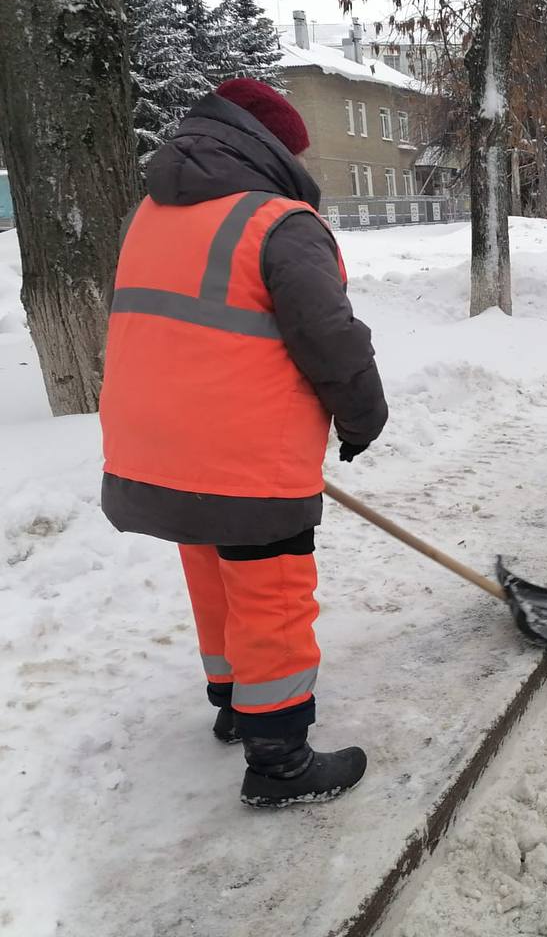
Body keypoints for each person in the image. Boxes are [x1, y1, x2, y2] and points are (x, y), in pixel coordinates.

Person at [99, 79, 388, 807]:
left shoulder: (151, 213)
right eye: (297, 148)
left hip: (149, 446)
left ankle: (235, 704)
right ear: (272, 147)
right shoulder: (278, 222)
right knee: (271, 593)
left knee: (214, 572)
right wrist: (362, 420)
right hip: (243, 458)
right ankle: (280, 758)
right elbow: (331, 340)